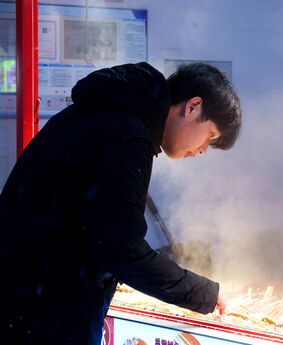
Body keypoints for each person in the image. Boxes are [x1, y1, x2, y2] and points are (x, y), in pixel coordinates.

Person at [0, 62, 241, 343]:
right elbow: (122, 252)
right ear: (193, 106)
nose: (201, 151)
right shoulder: (127, 136)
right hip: (41, 308)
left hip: (25, 294)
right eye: (209, 137)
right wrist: (204, 293)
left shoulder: (108, 113)